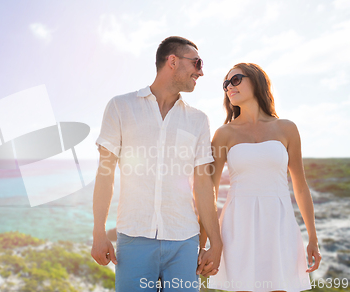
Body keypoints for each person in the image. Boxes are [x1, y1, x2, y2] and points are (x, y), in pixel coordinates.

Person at [90, 36, 223, 292]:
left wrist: (215, 243)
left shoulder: (198, 120)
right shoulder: (120, 107)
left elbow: (204, 186)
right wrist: (99, 233)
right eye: (196, 63)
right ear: (172, 61)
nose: (201, 71)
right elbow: (105, 174)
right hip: (133, 239)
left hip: (184, 241)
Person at [207, 63, 322, 292]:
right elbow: (209, 189)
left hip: (279, 222)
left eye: (236, 79)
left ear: (257, 81)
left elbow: (299, 186)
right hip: (237, 225)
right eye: (226, 83)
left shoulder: (286, 128)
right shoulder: (223, 134)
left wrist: (313, 237)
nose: (229, 86)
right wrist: (206, 241)